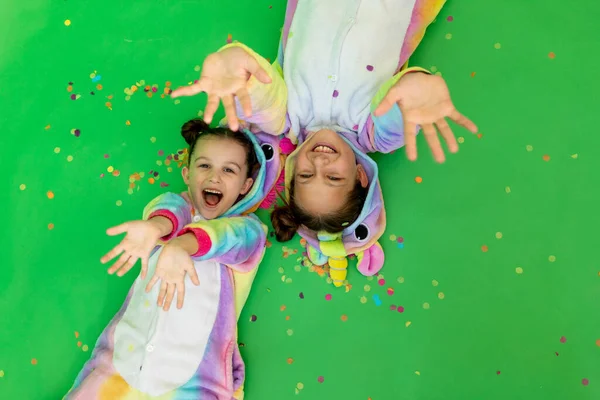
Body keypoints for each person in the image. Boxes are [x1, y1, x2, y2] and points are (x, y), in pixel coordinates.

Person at [172, 0, 478, 286]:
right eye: (333, 177)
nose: (319, 163)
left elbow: (260, 96)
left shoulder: (286, 119)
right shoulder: (373, 132)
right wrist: (418, 90)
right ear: (359, 174)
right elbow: (402, 105)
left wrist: (238, 71)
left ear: (292, 175)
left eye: (306, 175)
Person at [64, 118, 282, 400]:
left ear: (245, 185)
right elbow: (169, 209)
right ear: (187, 174)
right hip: (119, 367)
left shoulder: (247, 229)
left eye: (229, 170)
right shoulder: (173, 211)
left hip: (193, 381)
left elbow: (226, 237)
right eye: (204, 165)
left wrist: (181, 246)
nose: (214, 177)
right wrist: (155, 229)